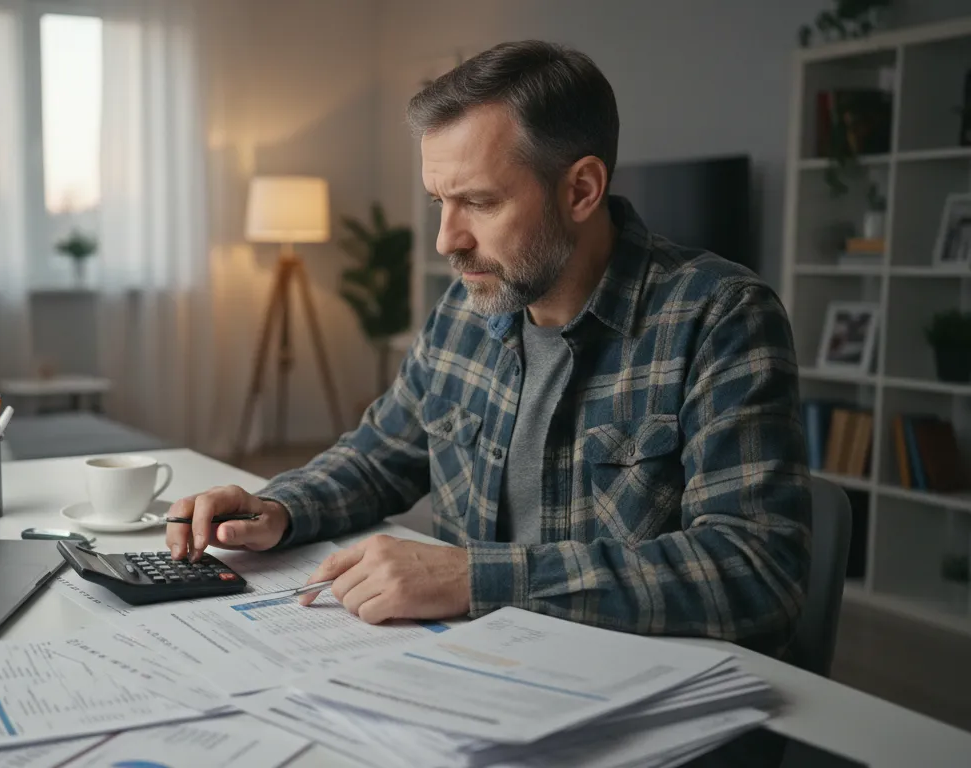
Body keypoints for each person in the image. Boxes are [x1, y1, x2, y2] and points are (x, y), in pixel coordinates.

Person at [167, 41, 812, 656]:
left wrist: (474, 578)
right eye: (439, 202)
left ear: (582, 190)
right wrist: (279, 506)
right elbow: (380, 455)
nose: (447, 239)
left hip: (632, 693)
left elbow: (754, 570)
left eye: (478, 201)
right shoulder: (469, 307)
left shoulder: (720, 316)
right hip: (475, 668)